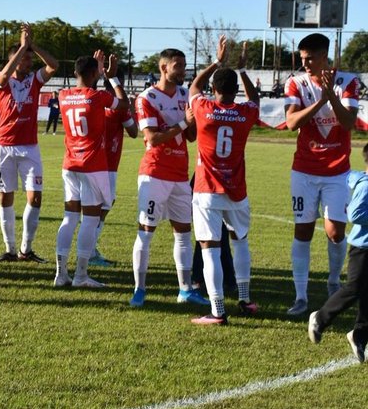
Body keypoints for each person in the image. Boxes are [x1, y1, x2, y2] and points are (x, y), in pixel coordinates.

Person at [284, 33, 360, 316]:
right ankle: (300, 296)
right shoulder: (296, 82)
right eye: (302, 59)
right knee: (302, 230)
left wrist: (332, 97)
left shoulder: (348, 81)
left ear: (324, 56)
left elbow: (349, 122)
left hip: (337, 172)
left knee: (335, 232)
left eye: (310, 58)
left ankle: (332, 282)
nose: (305, 64)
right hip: (304, 170)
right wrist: (320, 101)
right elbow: (291, 122)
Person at [186, 36, 259, 325]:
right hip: (237, 191)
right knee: (240, 241)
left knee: (209, 248)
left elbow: (193, 86)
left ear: (214, 89)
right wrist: (242, 71)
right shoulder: (245, 112)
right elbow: (254, 99)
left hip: (207, 190)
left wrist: (217, 61)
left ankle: (217, 311)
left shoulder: (204, 109)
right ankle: (245, 298)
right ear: (234, 90)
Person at [130, 48, 208, 308]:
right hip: (154, 174)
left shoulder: (186, 95)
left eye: (184, 66)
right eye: (178, 66)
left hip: (179, 175)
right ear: (164, 68)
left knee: (184, 233)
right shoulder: (147, 97)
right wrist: (185, 123)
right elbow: (152, 138)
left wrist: (192, 123)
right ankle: (139, 289)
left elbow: (191, 138)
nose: (182, 71)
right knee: (146, 232)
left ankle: (185, 290)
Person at [54, 51, 129, 288]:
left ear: (75, 72)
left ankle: (60, 273)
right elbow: (123, 104)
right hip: (92, 166)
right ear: (95, 74)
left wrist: (97, 69)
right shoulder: (98, 97)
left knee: (69, 218)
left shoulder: (63, 95)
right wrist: (112, 77)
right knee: (90, 220)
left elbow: (85, 84)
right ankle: (81, 276)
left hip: (70, 163)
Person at [0, 23, 59, 263]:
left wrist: (32, 46)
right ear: (13, 60)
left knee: (35, 197)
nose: (28, 62)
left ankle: (25, 249)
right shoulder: (0, 80)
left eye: (30, 59)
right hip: (4, 147)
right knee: (5, 197)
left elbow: (54, 66)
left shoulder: (34, 80)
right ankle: (9, 250)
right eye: (24, 58)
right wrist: (21, 47)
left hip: (29, 148)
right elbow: (3, 74)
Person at [308, 142, 368, 363]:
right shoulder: (365, 186)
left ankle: (359, 335)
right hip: (363, 248)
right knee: (354, 287)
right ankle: (320, 319)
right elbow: (354, 214)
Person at [89, 73, 138, 267]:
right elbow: (133, 132)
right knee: (103, 207)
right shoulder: (119, 108)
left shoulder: (95, 101)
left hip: (90, 162)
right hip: (108, 164)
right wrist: (131, 109)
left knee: (93, 207)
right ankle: (90, 251)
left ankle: (89, 249)